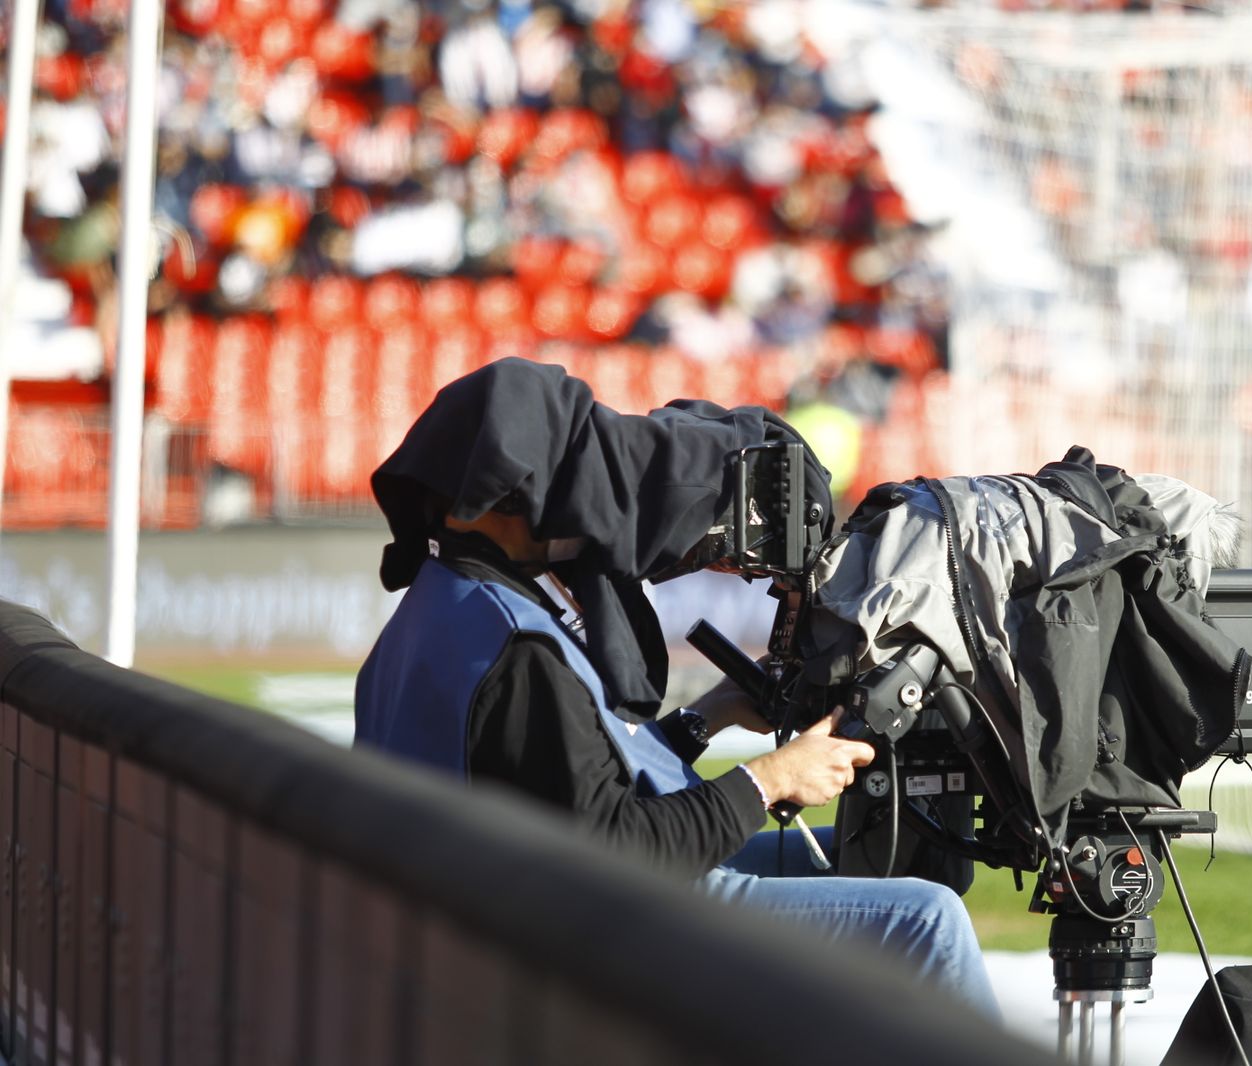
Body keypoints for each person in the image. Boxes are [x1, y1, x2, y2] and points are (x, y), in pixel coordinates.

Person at [353, 357, 998, 1016]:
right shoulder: (519, 649)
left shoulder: (450, 605)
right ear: (516, 491)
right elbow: (619, 852)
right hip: (560, 938)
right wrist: (774, 778)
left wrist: (706, 717)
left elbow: (568, 787)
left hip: (501, 908)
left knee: (862, 855)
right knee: (926, 919)